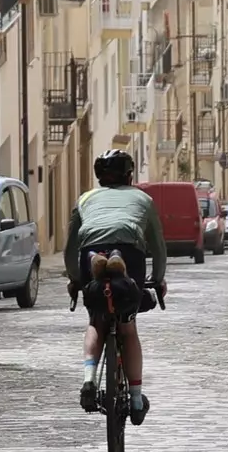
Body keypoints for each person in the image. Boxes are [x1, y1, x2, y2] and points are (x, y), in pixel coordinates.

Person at [65, 149, 166, 425]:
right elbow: (157, 247)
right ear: (130, 175)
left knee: (96, 322)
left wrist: (76, 279)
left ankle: (88, 380)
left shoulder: (85, 199)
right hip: (130, 252)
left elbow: (71, 246)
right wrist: (158, 279)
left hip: (90, 251)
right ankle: (135, 400)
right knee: (127, 326)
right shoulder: (143, 199)